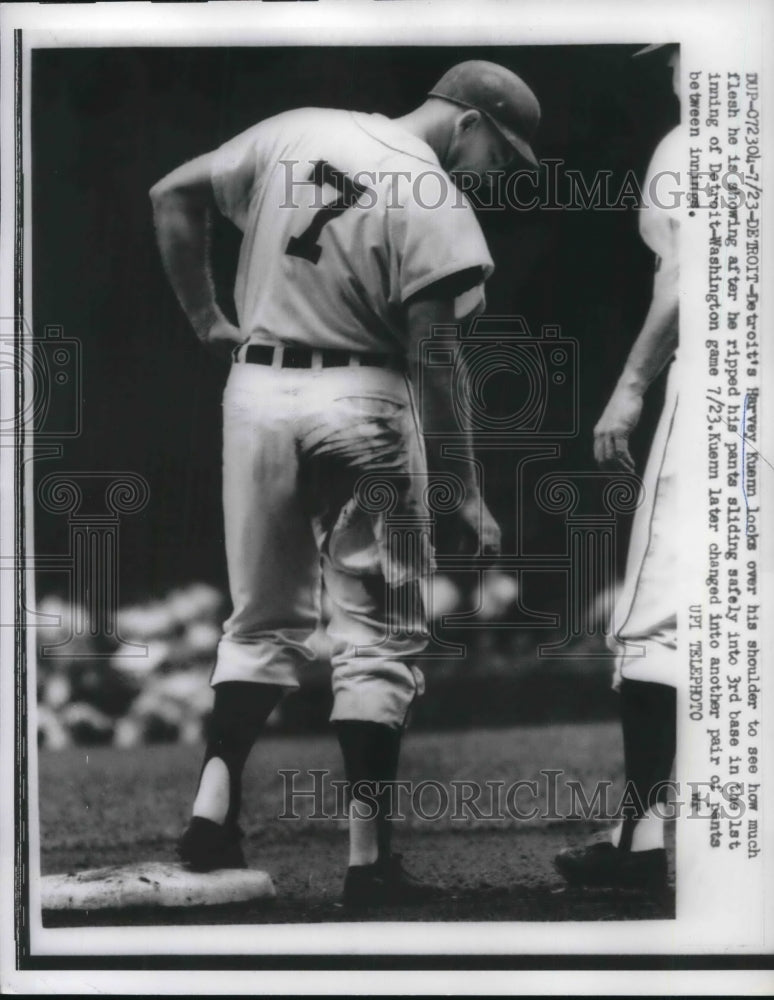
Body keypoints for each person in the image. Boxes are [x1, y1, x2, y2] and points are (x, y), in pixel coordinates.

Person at [150, 60, 540, 908]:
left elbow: (170, 195)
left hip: (255, 394)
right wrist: (465, 489)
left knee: (260, 620)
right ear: (467, 121)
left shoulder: (296, 127)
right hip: (364, 399)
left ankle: (212, 811)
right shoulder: (436, 196)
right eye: (504, 152)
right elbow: (436, 355)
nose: (501, 172)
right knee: (380, 637)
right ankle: (370, 866)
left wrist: (206, 318)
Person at [555, 44, 681, 889]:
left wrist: (629, 387)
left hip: (729, 387)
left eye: (674, 51)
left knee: (655, 624)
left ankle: (640, 847)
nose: (671, 67)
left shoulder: (691, 143)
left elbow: (682, 283)